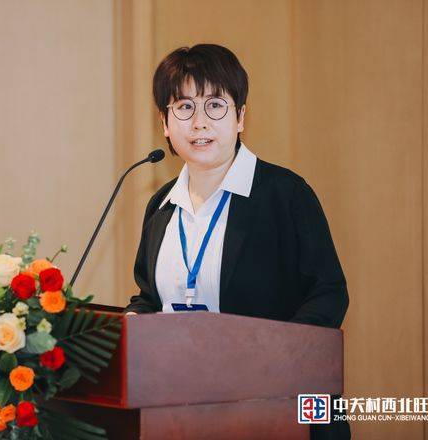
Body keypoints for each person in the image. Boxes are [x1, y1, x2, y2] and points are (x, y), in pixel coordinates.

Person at [124, 44, 350, 439]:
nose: (199, 123)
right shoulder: (161, 205)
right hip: (179, 409)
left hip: (275, 409)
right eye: (184, 107)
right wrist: (131, 322)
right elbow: (149, 298)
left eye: (215, 105)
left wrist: (274, 359)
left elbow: (328, 293)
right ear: (165, 123)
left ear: (240, 116)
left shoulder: (285, 195)